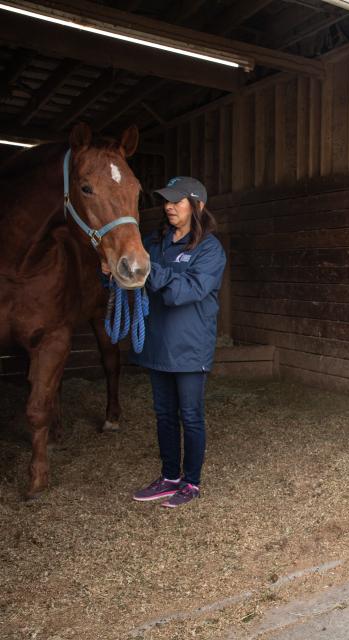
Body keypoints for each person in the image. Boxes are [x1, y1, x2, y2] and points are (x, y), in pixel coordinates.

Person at [130, 176, 226, 508]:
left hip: (190, 345)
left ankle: (192, 482)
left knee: (191, 415)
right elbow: (131, 267)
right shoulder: (155, 241)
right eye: (166, 201)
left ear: (197, 205)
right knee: (164, 414)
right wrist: (111, 270)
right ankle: (170, 477)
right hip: (158, 343)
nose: (169, 206)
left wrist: (150, 271)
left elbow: (187, 291)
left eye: (177, 200)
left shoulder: (210, 249)